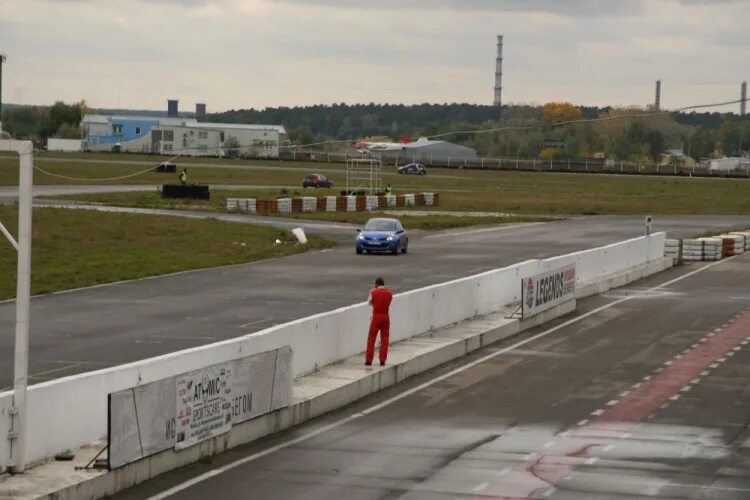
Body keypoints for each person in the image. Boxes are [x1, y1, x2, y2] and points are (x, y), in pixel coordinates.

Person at [366, 277, 393, 366]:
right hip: (385, 316)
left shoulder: (373, 292)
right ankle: (382, 360)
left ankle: (369, 360)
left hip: (376, 316)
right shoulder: (389, 293)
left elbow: (369, 302)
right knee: (385, 339)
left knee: (371, 339)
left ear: (377, 284)